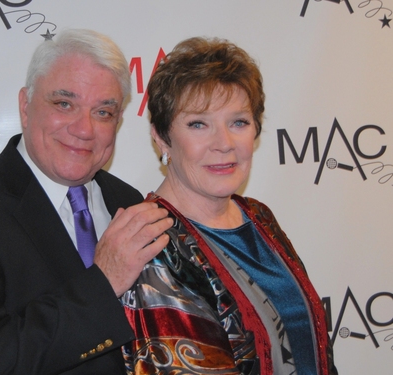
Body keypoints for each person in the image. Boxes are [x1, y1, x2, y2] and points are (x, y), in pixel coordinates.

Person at [0, 29, 173, 375]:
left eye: (103, 112)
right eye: (64, 104)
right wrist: (102, 282)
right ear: (25, 106)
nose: (84, 129)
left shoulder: (129, 203)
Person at [120, 37, 338, 374]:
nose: (224, 144)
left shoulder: (259, 217)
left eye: (238, 122)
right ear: (161, 138)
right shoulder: (156, 243)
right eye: (198, 124)